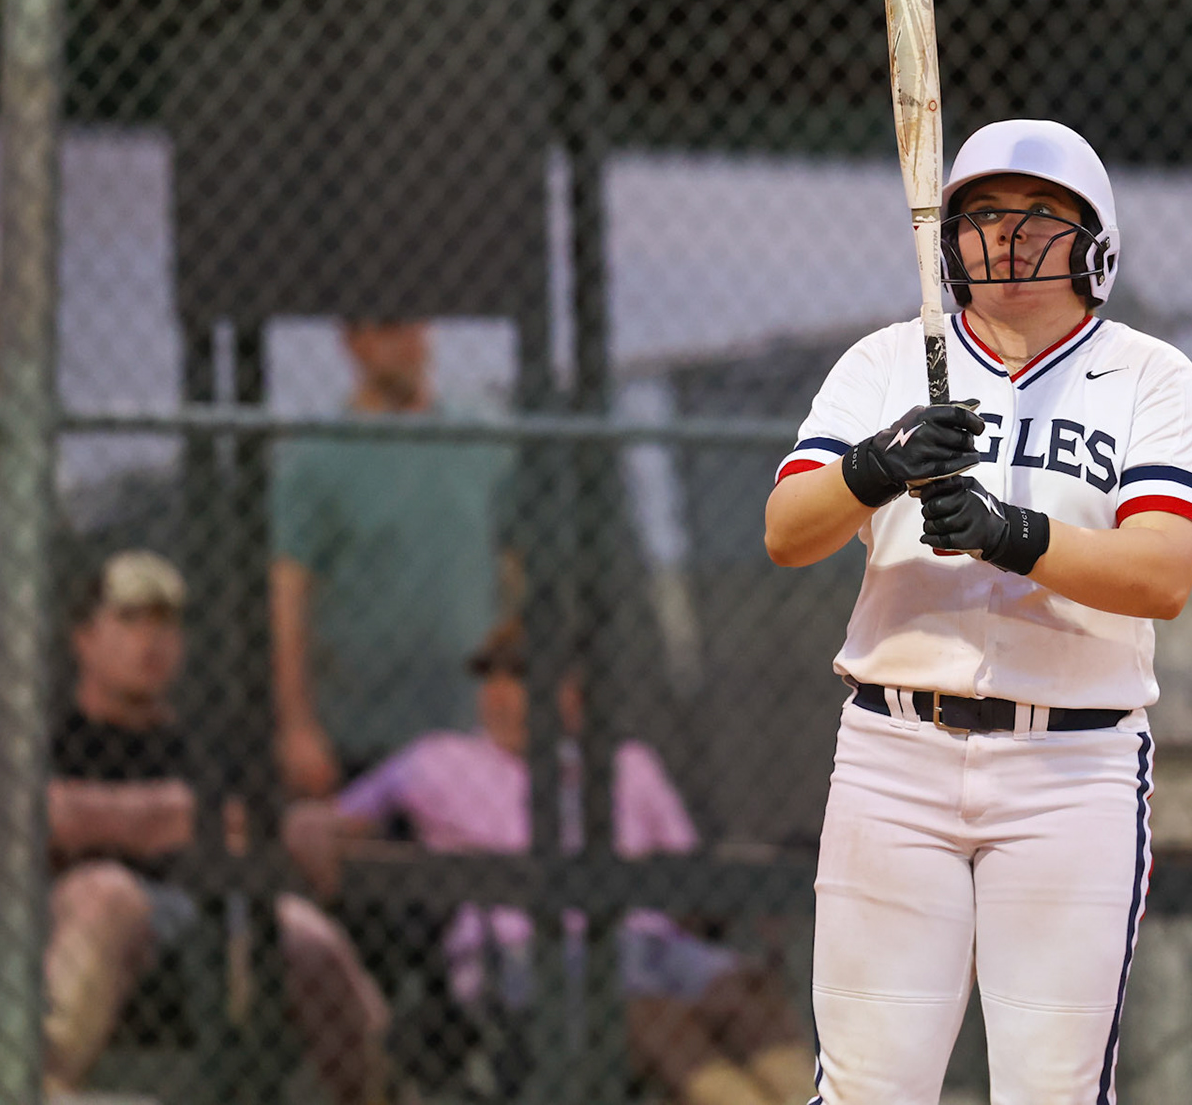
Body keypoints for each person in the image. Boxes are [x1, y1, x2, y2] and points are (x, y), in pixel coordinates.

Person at [762, 119, 1192, 1102]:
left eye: (1040, 212)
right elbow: (788, 531)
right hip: (895, 752)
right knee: (867, 1091)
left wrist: (1013, 533)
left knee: (1052, 1092)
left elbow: (1163, 574)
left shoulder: (1150, 375)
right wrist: (874, 467)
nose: (1008, 234)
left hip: (1072, 767)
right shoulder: (887, 362)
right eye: (983, 213)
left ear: (1095, 242)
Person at [283, 620, 814, 1105]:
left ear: (572, 694)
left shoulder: (628, 765)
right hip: (526, 959)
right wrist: (309, 828)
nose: (499, 694)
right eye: (490, 678)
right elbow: (329, 819)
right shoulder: (438, 761)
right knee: (649, 1014)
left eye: (520, 677)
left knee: (748, 995)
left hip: (652, 944)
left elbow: (688, 874)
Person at [44, 550, 391, 1102]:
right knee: (107, 893)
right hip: (84, 920)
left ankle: (380, 1095)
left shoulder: (205, 744)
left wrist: (143, 819)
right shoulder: (54, 735)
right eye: (129, 620)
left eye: (166, 623)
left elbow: (260, 829)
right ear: (84, 639)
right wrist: (182, 815)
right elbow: (55, 819)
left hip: (204, 914)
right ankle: (38, 1082)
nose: (150, 641)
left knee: (307, 935)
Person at [270, 317, 517, 797]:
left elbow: (514, 569)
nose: (407, 342)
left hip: (471, 732)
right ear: (352, 341)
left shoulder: (484, 435)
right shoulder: (315, 456)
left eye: (413, 324)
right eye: (387, 328)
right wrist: (297, 727)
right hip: (361, 736)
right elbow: (287, 596)